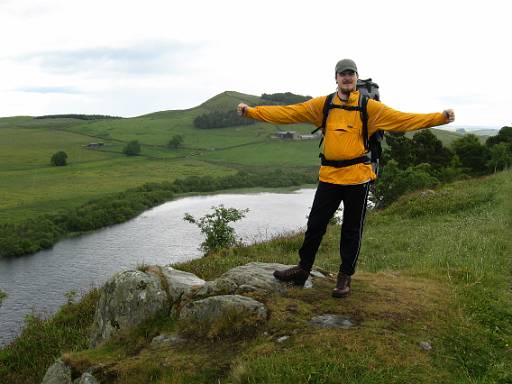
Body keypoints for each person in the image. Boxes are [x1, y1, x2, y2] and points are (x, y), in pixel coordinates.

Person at [237, 58, 455, 298]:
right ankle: (302, 269)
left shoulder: (369, 107)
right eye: (343, 74)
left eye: (351, 74)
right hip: (329, 176)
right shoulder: (324, 104)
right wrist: (251, 112)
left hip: (358, 178)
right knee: (315, 226)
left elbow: (404, 119)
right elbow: (288, 113)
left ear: (356, 78)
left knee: (351, 230)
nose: (347, 78)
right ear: (336, 78)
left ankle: (344, 277)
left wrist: (440, 118)